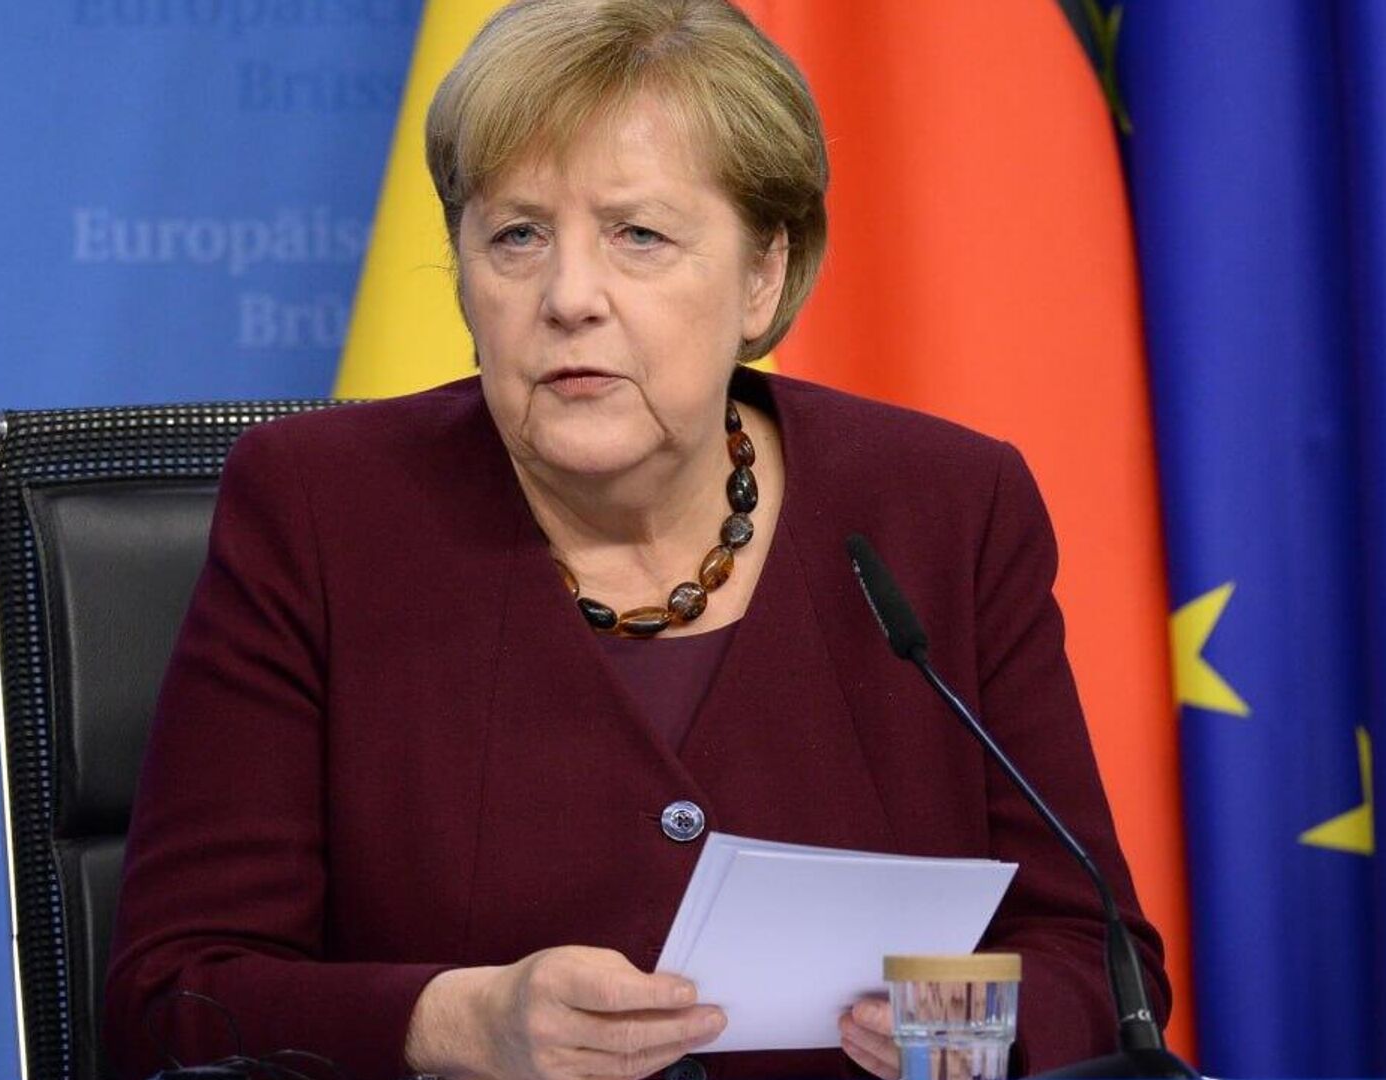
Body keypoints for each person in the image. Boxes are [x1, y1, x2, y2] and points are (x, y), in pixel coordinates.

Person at [103, 2, 1169, 1078]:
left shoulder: (947, 507)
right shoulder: (320, 513)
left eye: (639, 235)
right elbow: (171, 996)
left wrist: (957, 1032)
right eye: (517, 236)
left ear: (762, 275)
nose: (569, 297)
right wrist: (457, 1024)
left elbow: (1100, 960)